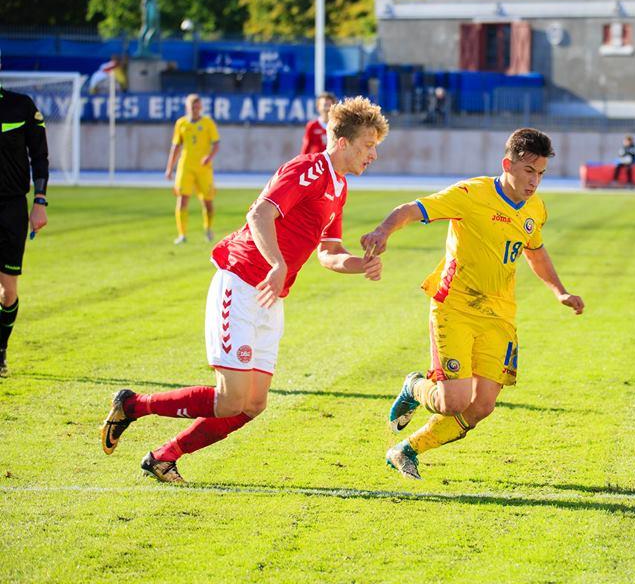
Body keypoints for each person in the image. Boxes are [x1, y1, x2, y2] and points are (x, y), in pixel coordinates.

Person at [101, 96, 390, 483]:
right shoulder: (308, 169)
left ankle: (163, 457)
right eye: (369, 145)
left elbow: (329, 252)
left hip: (271, 295)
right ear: (343, 142)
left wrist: (361, 264)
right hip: (241, 280)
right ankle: (134, 405)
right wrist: (276, 264)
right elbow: (259, 213)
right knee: (230, 399)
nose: (373, 155)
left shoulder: (339, 189)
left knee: (253, 404)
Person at [361, 128, 585, 480]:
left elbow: (536, 253)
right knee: (454, 401)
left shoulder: (535, 209)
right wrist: (383, 231)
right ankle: (414, 387)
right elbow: (412, 209)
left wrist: (559, 291)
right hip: (455, 307)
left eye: (541, 173)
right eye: (529, 171)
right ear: (507, 164)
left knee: (481, 406)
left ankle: (406, 450)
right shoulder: (470, 194)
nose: (535, 181)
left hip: (499, 315)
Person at [0, 74, 49, 378]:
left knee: (7, 290)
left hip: (12, 208)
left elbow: (40, 157)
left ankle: (1, 349)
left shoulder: (21, 106)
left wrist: (40, 202)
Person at [165, 94, 219, 244]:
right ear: (187, 108)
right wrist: (169, 168)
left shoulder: (208, 123)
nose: (195, 110)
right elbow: (176, 146)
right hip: (186, 166)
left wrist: (209, 156)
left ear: (200, 107)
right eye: (192, 107)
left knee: (207, 202)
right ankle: (182, 235)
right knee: (182, 199)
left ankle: (208, 229)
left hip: (204, 168)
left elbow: (216, 144)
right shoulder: (181, 124)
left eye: (197, 107)